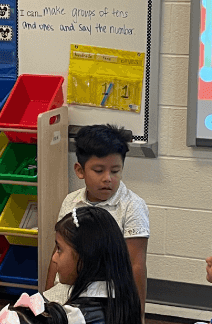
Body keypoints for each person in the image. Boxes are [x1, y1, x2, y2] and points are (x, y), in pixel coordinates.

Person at [49, 124, 149, 311]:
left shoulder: (132, 206)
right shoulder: (71, 201)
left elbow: (136, 265)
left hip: (106, 302)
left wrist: (138, 316)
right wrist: (46, 299)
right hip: (66, 295)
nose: (107, 178)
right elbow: (57, 254)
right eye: (98, 170)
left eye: (115, 171)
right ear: (80, 171)